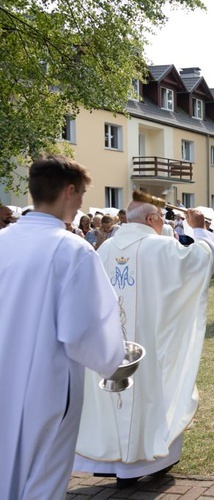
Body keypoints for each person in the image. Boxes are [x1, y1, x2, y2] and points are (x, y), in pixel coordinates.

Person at [74, 191, 214, 487]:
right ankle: (149, 460)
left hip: (110, 343)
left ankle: (117, 463)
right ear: (151, 219)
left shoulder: (104, 250)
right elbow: (202, 260)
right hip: (149, 343)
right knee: (152, 391)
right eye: (159, 219)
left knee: (114, 396)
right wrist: (197, 228)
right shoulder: (161, 247)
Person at [0, 155, 124, 499]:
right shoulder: (73, 250)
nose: (83, 203)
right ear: (69, 191)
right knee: (44, 475)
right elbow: (87, 329)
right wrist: (112, 361)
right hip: (46, 383)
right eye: (82, 194)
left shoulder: (2, 241)